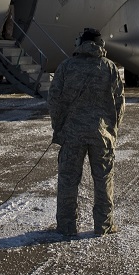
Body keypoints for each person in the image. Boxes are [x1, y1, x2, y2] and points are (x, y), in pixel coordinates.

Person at [48, 28, 125, 237]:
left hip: (72, 134)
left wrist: (59, 128)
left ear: (80, 43)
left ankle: (66, 226)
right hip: (101, 135)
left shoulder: (66, 67)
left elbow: (54, 99)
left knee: (68, 181)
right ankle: (104, 225)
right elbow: (119, 103)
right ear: (101, 45)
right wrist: (112, 130)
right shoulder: (109, 68)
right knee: (103, 181)